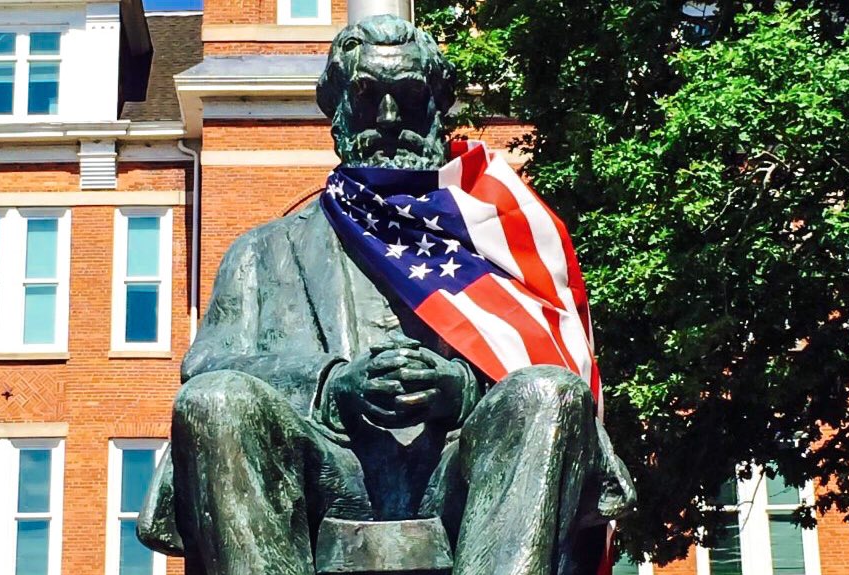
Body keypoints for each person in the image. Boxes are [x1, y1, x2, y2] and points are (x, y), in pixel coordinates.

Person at [139, 15, 635, 575]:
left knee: (550, 390)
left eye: (409, 95)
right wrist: (331, 387)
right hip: (325, 471)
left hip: (459, 472)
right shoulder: (263, 250)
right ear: (338, 108)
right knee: (217, 400)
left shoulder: (488, 237)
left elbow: (543, 358)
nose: (390, 117)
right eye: (369, 94)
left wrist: (461, 387)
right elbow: (207, 363)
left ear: (438, 107)